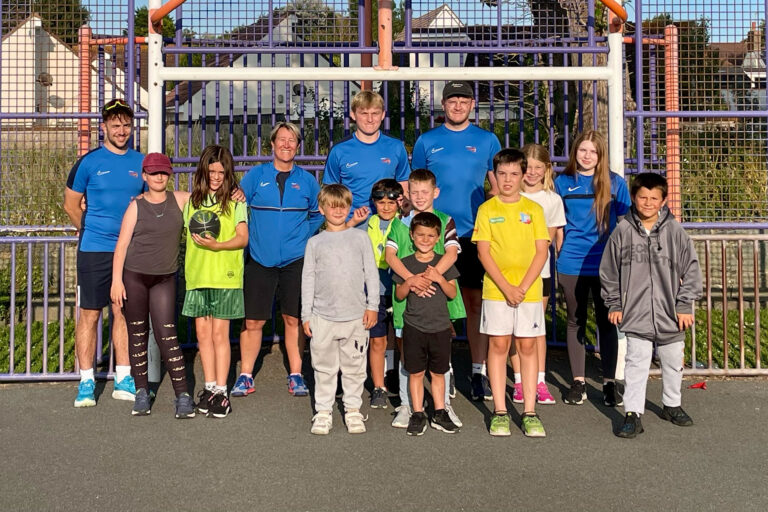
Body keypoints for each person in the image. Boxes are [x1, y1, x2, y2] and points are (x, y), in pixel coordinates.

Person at [411, 80, 501, 402]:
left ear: (472, 104)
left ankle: (478, 372)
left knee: (475, 304)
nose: (458, 105)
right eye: (452, 100)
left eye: (464, 100)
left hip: (475, 236)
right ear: (444, 104)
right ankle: (443, 372)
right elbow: (416, 188)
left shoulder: (487, 140)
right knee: (438, 306)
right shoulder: (427, 141)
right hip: (434, 238)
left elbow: (498, 187)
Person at [600, 172, 702, 438]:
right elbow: (609, 272)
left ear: (663, 200)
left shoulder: (675, 231)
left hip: (670, 312)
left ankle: (672, 404)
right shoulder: (622, 231)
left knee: (672, 360)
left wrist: (684, 305)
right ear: (633, 198)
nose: (647, 203)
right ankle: (633, 414)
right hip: (636, 311)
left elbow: (691, 269)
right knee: (636, 362)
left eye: (654, 198)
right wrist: (614, 304)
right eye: (642, 197)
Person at [233, 122, 323, 398]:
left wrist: (302, 236)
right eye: (281, 140)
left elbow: (317, 214)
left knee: (293, 318)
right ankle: (246, 376)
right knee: (253, 322)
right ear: (272, 144)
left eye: (292, 140)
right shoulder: (255, 175)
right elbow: (238, 203)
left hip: (296, 260)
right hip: (260, 260)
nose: (286, 144)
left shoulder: (307, 180)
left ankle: (296, 374)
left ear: (298, 146)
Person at [63, 98, 142, 407]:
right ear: (104, 127)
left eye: (126, 125)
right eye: (115, 124)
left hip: (129, 252)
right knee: (90, 314)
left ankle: (123, 377)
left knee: (122, 311)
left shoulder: (141, 161)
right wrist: (92, 231)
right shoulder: (89, 162)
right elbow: (71, 204)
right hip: (94, 250)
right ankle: (86, 382)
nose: (121, 130)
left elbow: (157, 198)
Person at [110, 153, 195, 418]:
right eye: (153, 173)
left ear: (169, 175)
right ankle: (142, 392)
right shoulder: (136, 206)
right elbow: (122, 245)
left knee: (167, 335)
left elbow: (211, 197)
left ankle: (182, 395)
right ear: (144, 176)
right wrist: (116, 282)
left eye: (163, 173)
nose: (159, 177)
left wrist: (235, 191)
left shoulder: (181, 200)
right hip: (134, 277)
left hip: (164, 278)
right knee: (137, 335)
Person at [473, 148, 549, 437]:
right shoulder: (486, 210)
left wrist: (522, 288)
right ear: (494, 175)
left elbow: (542, 252)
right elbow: (483, 252)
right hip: (496, 291)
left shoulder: (534, 210)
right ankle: (500, 411)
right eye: (502, 174)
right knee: (499, 346)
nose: (507, 180)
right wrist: (506, 287)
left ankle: (529, 411)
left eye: (514, 174)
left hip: (528, 292)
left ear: (523, 175)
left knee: (527, 347)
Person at [555, 130, 631, 407]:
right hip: (571, 262)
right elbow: (556, 224)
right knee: (575, 321)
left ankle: (610, 383)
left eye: (593, 152)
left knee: (606, 323)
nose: (586, 156)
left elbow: (626, 226)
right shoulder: (562, 182)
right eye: (582, 150)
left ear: (600, 155)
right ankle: (578, 382)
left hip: (605, 265)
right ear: (575, 152)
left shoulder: (615, 183)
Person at [385, 169, 465, 429]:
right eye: (414, 192)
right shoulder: (400, 222)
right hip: (408, 300)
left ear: (435, 192)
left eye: (425, 192)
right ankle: (409, 407)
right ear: (407, 193)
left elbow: (452, 254)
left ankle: (444, 407)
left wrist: (430, 278)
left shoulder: (446, 220)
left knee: (441, 358)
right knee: (408, 356)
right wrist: (412, 279)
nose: (419, 197)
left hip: (438, 302)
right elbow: (390, 256)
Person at [301, 184, 380, 435]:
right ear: (322, 209)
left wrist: (373, 306)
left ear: (349, 207)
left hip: (356, 316)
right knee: (323, 366)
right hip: (322, 317)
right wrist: (306, 314)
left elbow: (371, 273)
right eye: (332, 206)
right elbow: (308, 279)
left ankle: (353, 409)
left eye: (343, 206)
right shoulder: (315, 243)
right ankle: (323, 411)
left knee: (355, 366)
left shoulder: (360, 237)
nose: (338, 211)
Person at [181, 145, 248, 419]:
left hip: (225, 277)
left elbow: (243, 238)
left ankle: (222, 392)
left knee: (221, 335)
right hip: (197, 277)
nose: (216, 177)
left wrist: (219, 246)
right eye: (211, 171)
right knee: (202, 335)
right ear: (203, 171)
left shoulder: (235, 202)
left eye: (222, 172)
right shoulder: (192, 202)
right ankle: (209, 388)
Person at [393, 212, 461, 436]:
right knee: (415, 372)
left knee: (439, 372)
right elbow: (400, 295)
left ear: (438, 237)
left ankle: (440, 412)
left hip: (440, 326)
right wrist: (411, 282)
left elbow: (451, 293)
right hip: (414, 326)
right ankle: (418, 412)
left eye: (430, 235)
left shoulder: (443, 263)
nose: (425, 239)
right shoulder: (405, 263)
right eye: (420, 235)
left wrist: (439, 278)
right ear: (412, 236)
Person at [508, 144, 565, 405]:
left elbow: (549, 240)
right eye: (527, 167)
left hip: (538, 274)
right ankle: (519, 381)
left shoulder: (552, 200)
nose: (531, 173)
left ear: (546, 170)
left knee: (534, 328)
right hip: (509, 273)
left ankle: (539, 380)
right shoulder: (509, 195)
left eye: (537, 168)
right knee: (511, 329)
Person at [322, 90, 410, 223]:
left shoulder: (396, 146)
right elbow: (330, 192)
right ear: (353, 114)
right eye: (364, 113)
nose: (370, 119)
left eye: (375, 113)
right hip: (352, 223)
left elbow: (404, 183)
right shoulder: (339, 150)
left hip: (389, 222)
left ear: (383, 115)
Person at [364, 179, 404, 409]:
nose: (386, 206)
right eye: (380, 201)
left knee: (401, 339)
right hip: (374, 292)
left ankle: (402, 382)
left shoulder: (406, 224)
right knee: (377, 340)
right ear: (374, 202)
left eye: (391, 202)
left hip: (399, 290)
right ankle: (378, 386)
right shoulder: (366, 224)